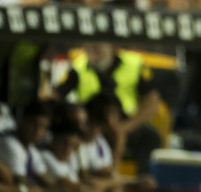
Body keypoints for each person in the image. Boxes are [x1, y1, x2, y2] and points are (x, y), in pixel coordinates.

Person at [56, 43, 162, 174]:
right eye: (89, 45)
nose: (93, 50)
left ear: (112, 46)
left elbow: (153, 103)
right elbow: (56, 95)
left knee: (151, 136)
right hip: (92, 122)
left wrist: (125, 127)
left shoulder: (134, 63)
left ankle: (139, 175)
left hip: (125, 121)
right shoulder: (78, 66)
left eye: (98, 45)